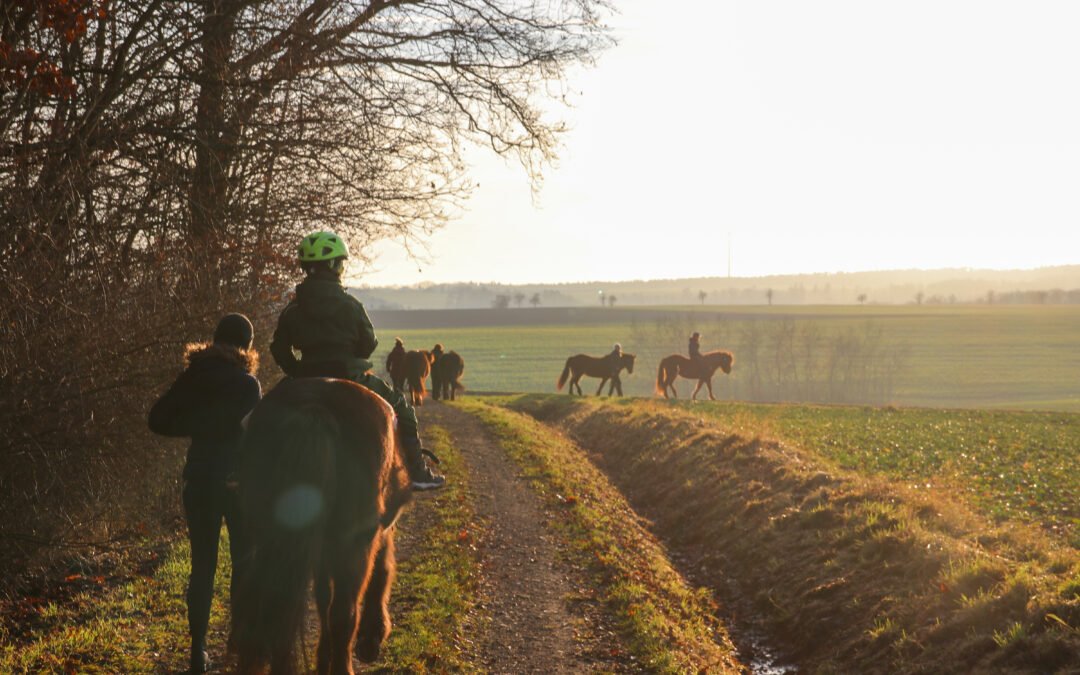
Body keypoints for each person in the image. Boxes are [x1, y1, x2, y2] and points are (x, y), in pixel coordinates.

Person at [270, 231, 446, 490]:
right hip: (351, 377)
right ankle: (418, 474)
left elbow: (279, 348)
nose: (341, 268)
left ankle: (241, 470)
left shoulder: (293, 310)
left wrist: (297, 371)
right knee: (403, 408)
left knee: (263, 411)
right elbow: (368, 344)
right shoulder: (351, 305)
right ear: (332, 265)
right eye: (340, 262)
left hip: (305, 379)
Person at [148, 313, 261, 674]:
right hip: (238, 484)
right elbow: (254, 438)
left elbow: (157, 419)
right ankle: (240, 647)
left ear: (214, 340)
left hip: (199, 482)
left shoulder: (192, 377)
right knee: (244, 562)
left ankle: (197, 654)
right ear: (246, 345)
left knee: (203, 568)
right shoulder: (248, 384)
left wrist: (198, 425)